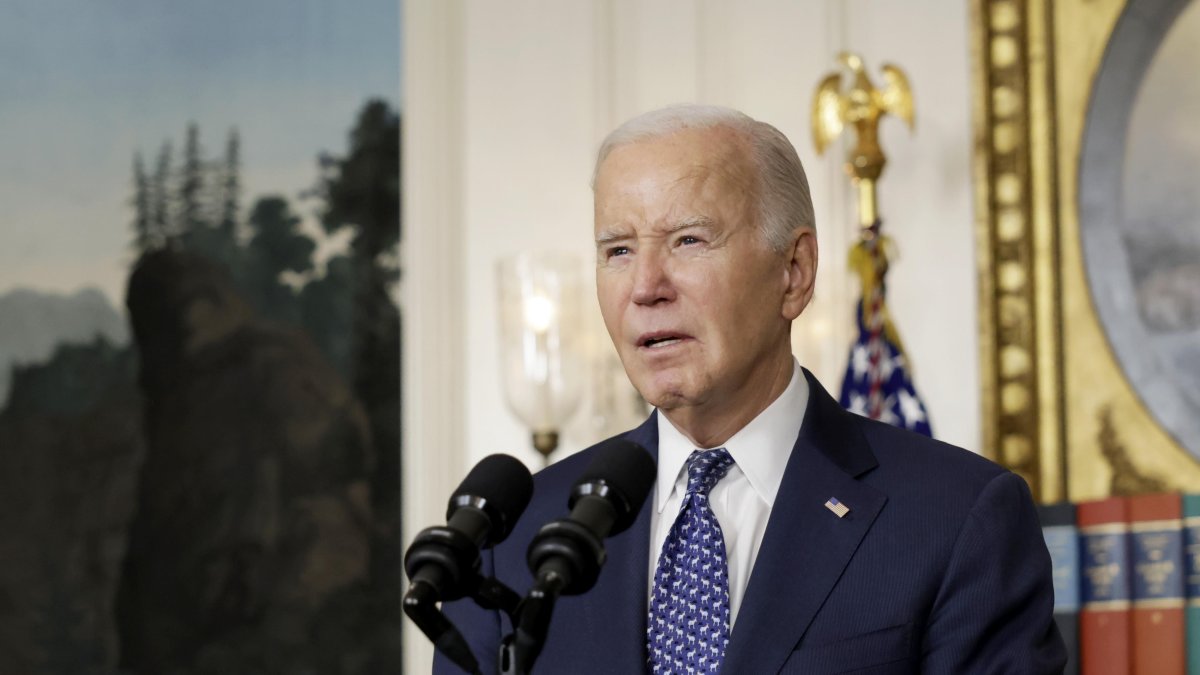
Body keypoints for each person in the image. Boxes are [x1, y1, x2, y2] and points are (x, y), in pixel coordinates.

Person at [437, 104, 1065, 673]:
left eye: (688, 240)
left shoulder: (955, 519)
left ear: (794, 272)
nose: (645, 286)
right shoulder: (517, 541)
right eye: (619, 250)